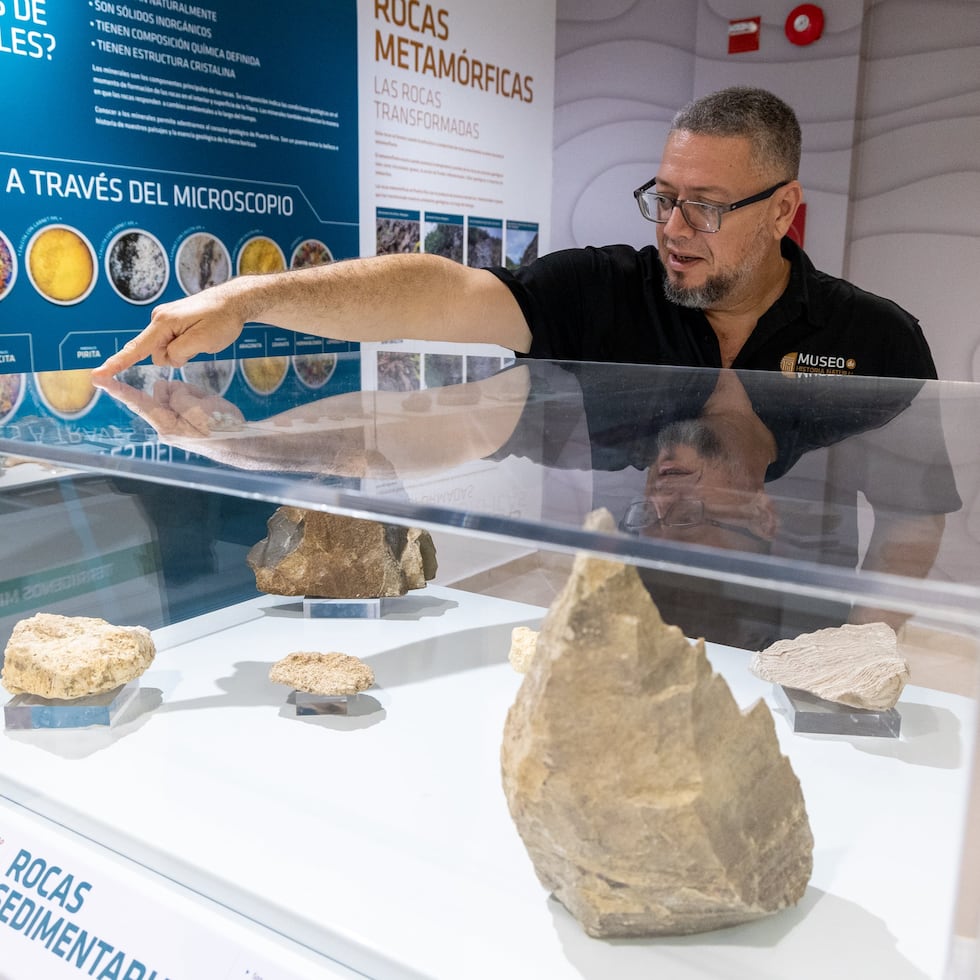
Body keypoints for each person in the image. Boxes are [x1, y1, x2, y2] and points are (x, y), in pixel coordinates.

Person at [92, 86, 938, 385]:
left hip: (789, 637)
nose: (674, 231)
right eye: (665, 197)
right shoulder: (605, 288)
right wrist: (254, 297)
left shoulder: (878, 338)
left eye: (707, 207)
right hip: (622, 611)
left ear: (784, 209)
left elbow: (912, 516)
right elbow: (437, 289)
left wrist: (863, 642)